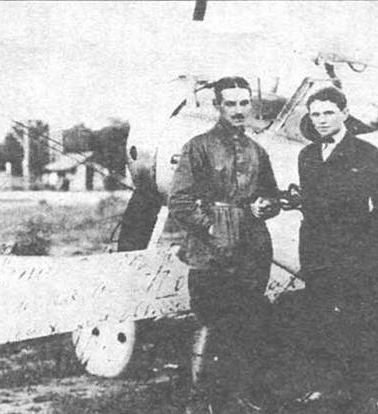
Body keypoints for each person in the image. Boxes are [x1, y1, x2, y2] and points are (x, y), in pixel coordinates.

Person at [290, 86, 378, 413]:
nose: (322, 120)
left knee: (359, 323)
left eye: (329, 112)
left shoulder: (367, 154)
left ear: (344, 113)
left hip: (354, 255)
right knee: (321, 319)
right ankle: (326, 387)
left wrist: (362, 244)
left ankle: (367, 396)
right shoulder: (307, 155)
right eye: (315, 114)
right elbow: (311, 206)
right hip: (317, 253)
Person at [169, 76, 281, 414]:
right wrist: (214, 227)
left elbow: (271, 197)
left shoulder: (257, 151)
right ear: (218, 105)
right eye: (230, 103)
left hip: (251, 254)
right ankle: (202, 401)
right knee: (211, 324)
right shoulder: (198, 147)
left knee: (248, 325)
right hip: (210, 255)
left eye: (244, 103)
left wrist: (266, 206)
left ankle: (241, 399)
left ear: (251, 105)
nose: (238, 110)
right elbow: (180, 202)